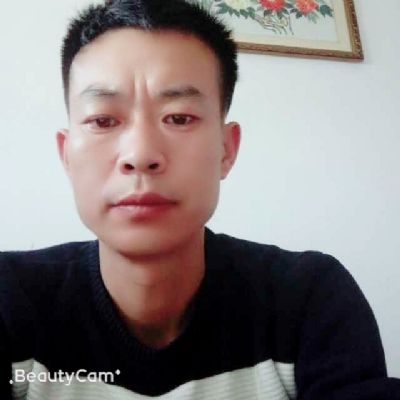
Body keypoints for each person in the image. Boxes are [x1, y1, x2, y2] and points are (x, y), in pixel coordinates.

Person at [0, 0, 399, 399]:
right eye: (103, 120)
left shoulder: (307, 298)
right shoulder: (10, 298)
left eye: (179, 118)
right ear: (66, 155)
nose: (140, 154)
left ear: (227, 149)